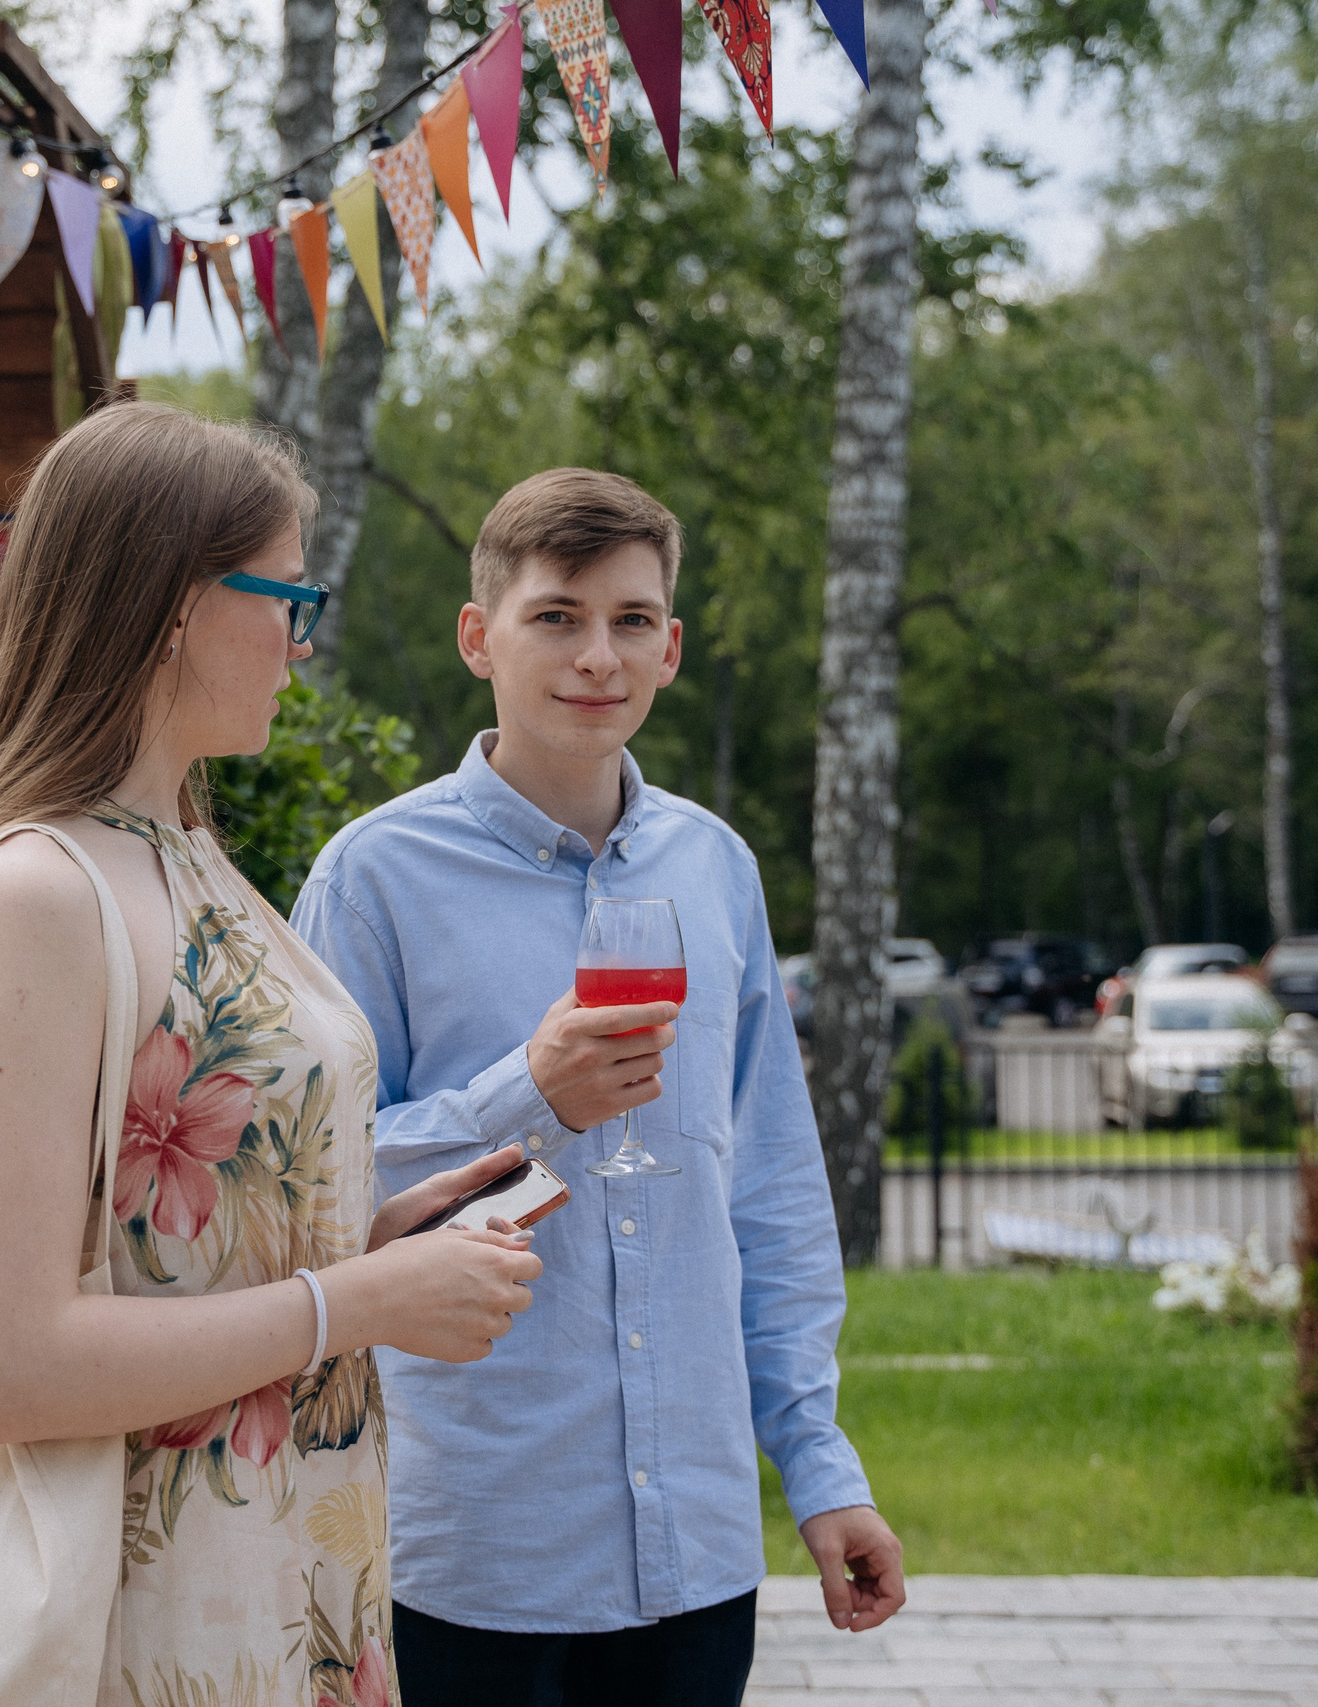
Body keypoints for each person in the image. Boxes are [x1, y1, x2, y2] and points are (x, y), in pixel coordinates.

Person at [0, 402, 542, 1707]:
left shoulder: (185, 848)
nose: (300, 638)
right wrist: (352, 1305)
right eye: (286, 594)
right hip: (139, 1617)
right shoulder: (37, 888)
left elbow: (168, 1251)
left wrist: (362, 1245)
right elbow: (13, 1365)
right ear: (176, 605)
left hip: (285, 1566)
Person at [291, 468, 905, 1706]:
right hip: (475, 1540)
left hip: (696, 1543)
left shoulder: (716, 869)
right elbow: (310, 1184)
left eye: (631, 621)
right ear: (481, 637)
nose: (597, 657)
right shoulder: (373, 879)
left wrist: (821, 1467)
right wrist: (527, 1096)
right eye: (557, 616)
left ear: (670, 649)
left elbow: (770, 1188)